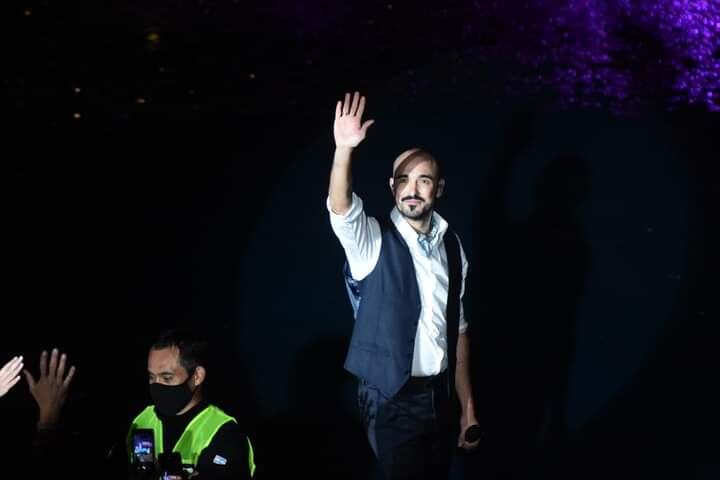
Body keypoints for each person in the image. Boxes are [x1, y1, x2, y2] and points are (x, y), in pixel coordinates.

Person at [326, 91, 481, 480]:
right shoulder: (372, 241)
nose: (412, 189)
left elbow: (457, 329)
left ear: (439, 189)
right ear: (392, 187)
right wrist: (344, 149)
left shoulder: (452, 245)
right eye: (404, 180)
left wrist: (467, 406)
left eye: (423, 180)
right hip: (389, 399)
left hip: (439, 398)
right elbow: (341, 208)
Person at [127, 328, 255, 480]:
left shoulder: (225, 433)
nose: (157, 385)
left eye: (167, 378)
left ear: (197, 376)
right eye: (151, 377)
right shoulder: (140, 421)